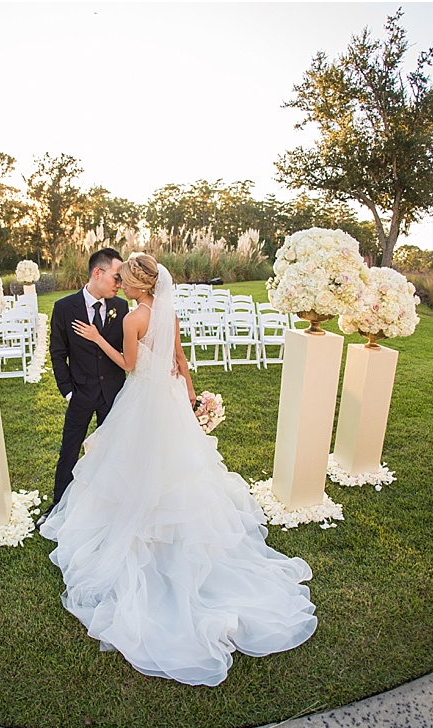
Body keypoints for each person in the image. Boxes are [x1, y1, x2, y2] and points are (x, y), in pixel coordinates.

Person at [40, 253, 317, 687]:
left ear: (138, 285)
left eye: (125, 281)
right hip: (169, 399)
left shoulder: (132, 320)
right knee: (180, 469)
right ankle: (173, 529)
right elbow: (181, 358)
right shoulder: (167, 311)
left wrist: (97, 338)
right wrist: (189, 395)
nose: (121, 286)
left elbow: (128, 364)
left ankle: (143, 530)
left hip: (143, 399)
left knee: (136, 466)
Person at [45, 248, 130, 514]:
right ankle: (59, 506)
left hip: (113, 393)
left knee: (113, 452)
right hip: (80, 393)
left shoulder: (121, 306)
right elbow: (58, 354)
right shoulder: (64, 307)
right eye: (117, 277)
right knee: (69, 451)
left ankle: (109, 506)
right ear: (97, 272)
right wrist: (69, 392)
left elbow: (124, 351)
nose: (121, 284)